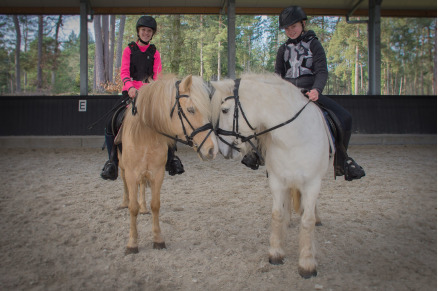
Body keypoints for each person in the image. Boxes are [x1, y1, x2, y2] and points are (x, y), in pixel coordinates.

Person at [242, 6, 365, 181]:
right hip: (287, 94)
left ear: (303, 23)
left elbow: (322, 71)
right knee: (264, 117)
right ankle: (257, 153)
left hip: (310, 91)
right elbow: (278, 75)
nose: (291, 31)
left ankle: (343, 160)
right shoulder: (282, 50)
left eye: (294, 26)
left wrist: (317, 90)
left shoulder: (314, 44)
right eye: (287, 28)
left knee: (345, 117)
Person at [100, 15, 185, 180]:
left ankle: (172, 158)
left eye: (149, 31)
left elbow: (157, 75)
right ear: (138, 31)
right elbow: (124, 72)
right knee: (110, 121)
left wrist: (149, 90)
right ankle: (112, 162)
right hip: (130, 93)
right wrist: (130, 87)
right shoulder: (128, 50)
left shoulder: (155, 52)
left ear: (152, 34)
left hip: (150, 95)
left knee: (168, 120)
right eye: (143, 30)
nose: (146, 33)